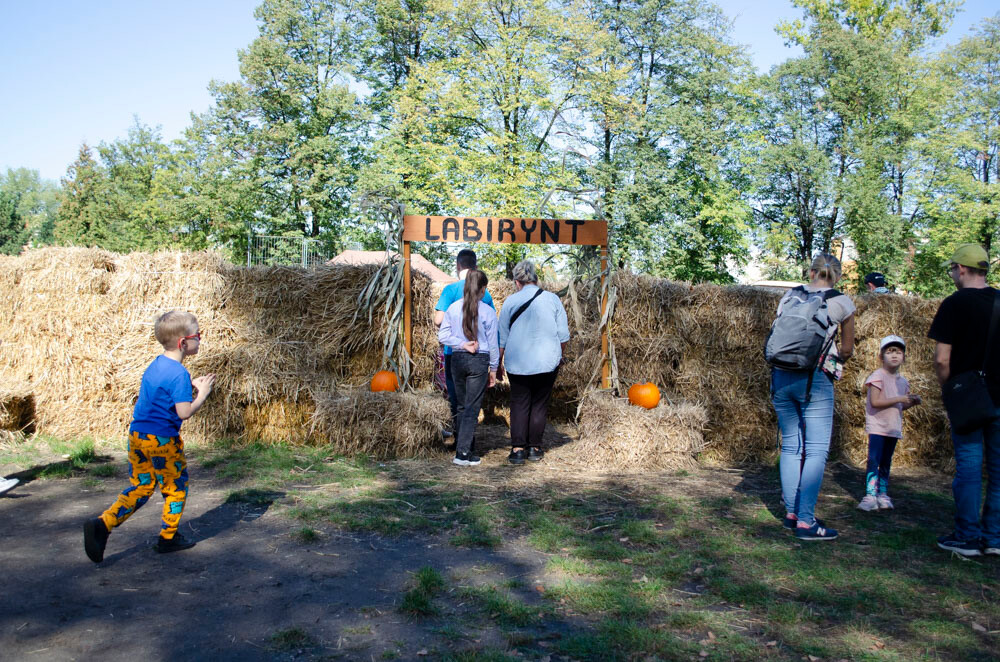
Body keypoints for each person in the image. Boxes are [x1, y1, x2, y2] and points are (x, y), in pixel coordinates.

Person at [83, 311, 216, 563]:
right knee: (176, 487)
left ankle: (103, 523)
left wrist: (191, 388)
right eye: (197, 335)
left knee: (142, 486)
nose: (200, 339)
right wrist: (203, 393)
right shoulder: (179, 373)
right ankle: (168, 538)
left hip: (137, 436)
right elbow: (184, 412)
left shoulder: (156, 365)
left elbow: (160, 400)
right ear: (183, 343)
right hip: (163, 442)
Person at [771, 254, 855, 541]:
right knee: (816, 450)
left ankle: (792, 513)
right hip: (815, 380)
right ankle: (807, 521)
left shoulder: (789, 296)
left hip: (781, 376)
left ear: (810, 272)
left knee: (792, 446)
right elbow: (846, 349)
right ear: (838, 275)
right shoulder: (842, 302)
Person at [928, 243, 999, 557]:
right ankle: (994, 538)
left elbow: (943, 360)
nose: (952, 274)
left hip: (969, 396)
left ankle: (968, 537)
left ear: (963, 269)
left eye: (952, 268)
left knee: (969, 468)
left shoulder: (955, 304)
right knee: (998, 471)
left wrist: (949, 391)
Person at [497, 260, 569, 465]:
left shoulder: (511, 301)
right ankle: (535, 448)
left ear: (517, 282)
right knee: (539, 405)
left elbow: (502, 336)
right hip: (547, 361)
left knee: (519, 403)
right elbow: (563, 336)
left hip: (518, 361)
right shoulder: (553, 299)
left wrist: (498, 363)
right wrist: (559, 356)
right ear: (536, 279)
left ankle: (518, 449)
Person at [438, 270, 498, 466]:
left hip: (457, 359)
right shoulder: (488, 312)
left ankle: (470, 451)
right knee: (472, 408)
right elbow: (492, 344)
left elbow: (442, 336)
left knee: (463, 405)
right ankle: (462, 453)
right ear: (483, 289)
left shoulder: (453, 308)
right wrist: (494, 369)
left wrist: (461, 344)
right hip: (479, 360)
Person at [857, 335, 921, 512]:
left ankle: (882, 493)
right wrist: (900, 398)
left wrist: (911, 402)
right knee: (874, 460)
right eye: (889, 352)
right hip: (878, 426)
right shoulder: (877, 376)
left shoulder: (903, 381)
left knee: (886, 461)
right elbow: (876, 402)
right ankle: (870, 495)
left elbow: (901, 406)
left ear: (904, 358)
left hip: (893, 427)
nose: (894, 355)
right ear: (881, 356)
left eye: (898, 352)